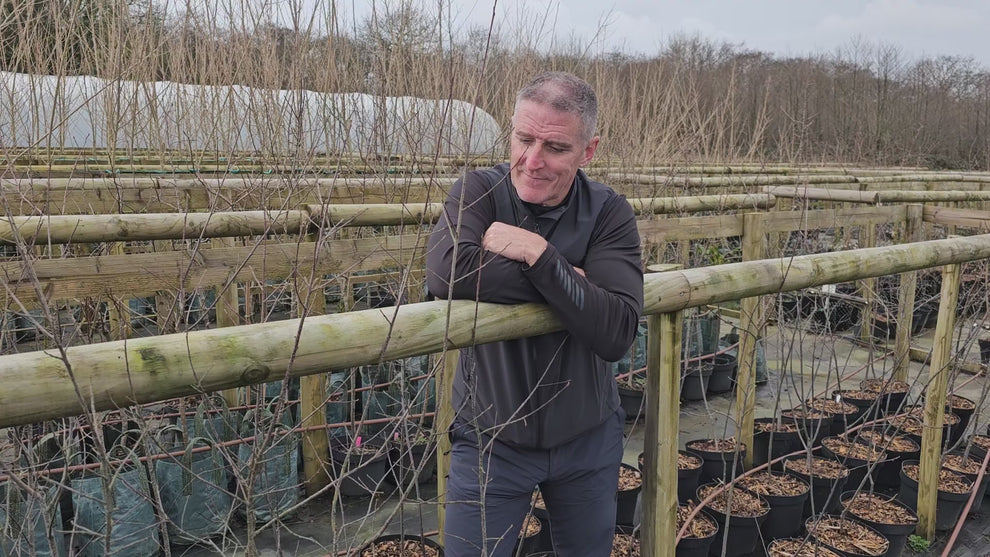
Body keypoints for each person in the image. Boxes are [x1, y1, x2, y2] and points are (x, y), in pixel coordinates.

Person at [426, 71, 644, 556]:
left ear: (588, 151)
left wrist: (539, 254)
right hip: (490, 439)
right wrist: (570, 279)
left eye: (555, 147)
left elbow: (615, 330)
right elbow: (447, 273)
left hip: (587, 440)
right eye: (523, 139)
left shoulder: (608, 212)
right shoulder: (480, 191)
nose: (532, 160)